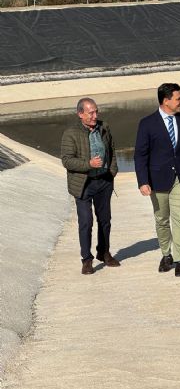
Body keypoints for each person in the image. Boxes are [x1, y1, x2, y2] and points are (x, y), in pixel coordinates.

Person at [134, 83, 180, 277]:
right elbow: (140, 155)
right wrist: (143, 181)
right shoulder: (147, 123)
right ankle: (166, 255)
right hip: (157, 179)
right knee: (162, 219)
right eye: (178, 98)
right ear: (166, 101)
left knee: (179, 217)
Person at [61, 97, 120, 275]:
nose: (95, 115)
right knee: (86, 222)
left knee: (105, 220)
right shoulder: (70, 133)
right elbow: (67, 161)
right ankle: (86, 259)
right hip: (83, 184)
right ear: (80, 114)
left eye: (96, 111)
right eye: (91, 112)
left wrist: (112, 171)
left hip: (104, 182)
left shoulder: (104, 127)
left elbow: (112, 151)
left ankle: (104, 252)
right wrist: (89, 164)